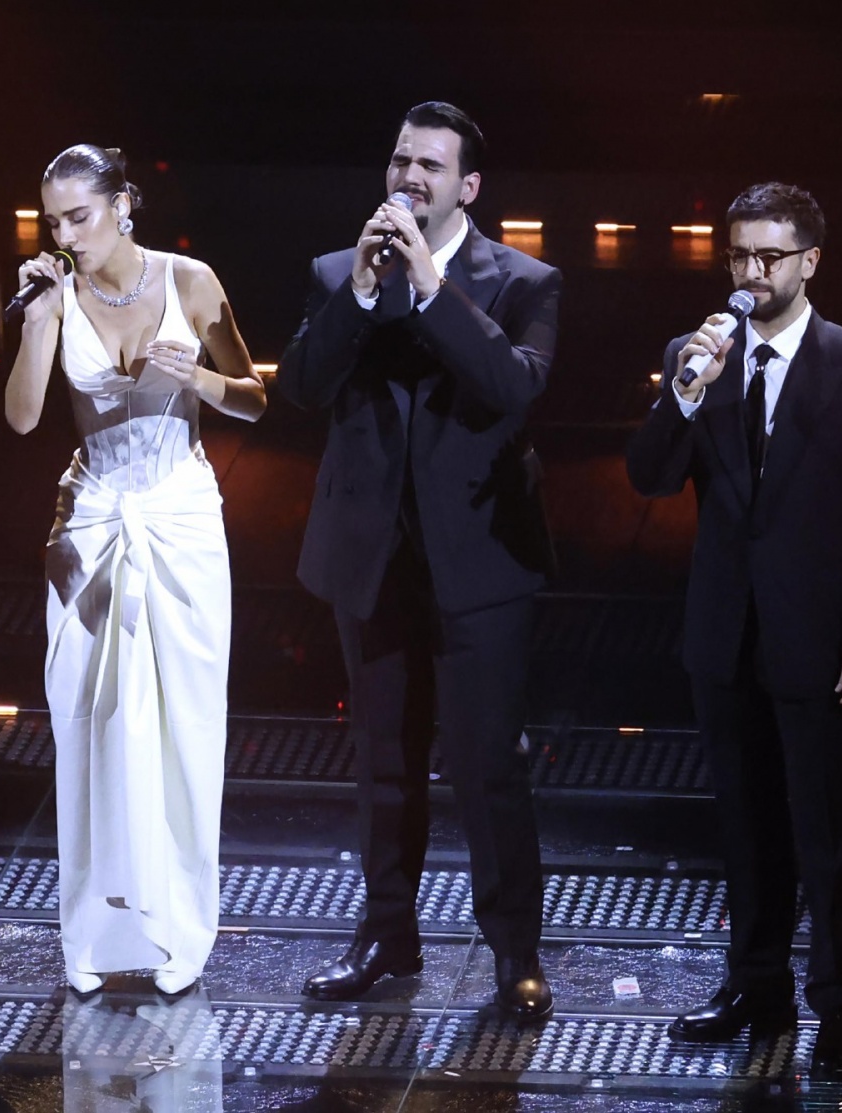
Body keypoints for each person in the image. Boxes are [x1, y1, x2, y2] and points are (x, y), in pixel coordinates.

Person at [280, 102, 560, 1019]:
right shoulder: (338, 272)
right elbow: (302, 389)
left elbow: (509, 389)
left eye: (430, 166)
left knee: (488, 765)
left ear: (466, 186)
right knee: (382, 761)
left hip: (480, 564)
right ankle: (387, 935)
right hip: (372, 561)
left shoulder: (522, 281)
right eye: (400, 159)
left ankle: (514, 949)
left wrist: (434, 288)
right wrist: (361, 294)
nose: (409, 176)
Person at [626, 182, 842, 1080]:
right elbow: (647, 476)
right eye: (740, 256)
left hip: (822, 640)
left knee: (830, 833)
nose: (751, 274)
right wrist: (683, 391)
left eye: (770, 257)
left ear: (809, 262)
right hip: (724, 636)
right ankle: (756, 984)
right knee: (745, 830)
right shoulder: (698, 355)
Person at [4, 144, 266, 995]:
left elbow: (254, 395)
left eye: (80, 215)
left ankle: (180, 927)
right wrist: (39, 318)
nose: (67, 233)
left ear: (124, 205)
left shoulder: (190, 280)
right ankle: (94, 931)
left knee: (186, 728)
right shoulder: (57, 294)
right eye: (55, 221)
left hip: (182, 515)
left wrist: (199, 376)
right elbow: (21, 418)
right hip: (93, 517)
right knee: (90, 724)